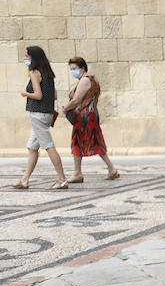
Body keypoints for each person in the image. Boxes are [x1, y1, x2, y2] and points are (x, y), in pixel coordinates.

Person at [13, 45, 70, 190]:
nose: (25, 59)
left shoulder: (34, 72)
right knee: (32, 147)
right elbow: (55, 95)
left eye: (27, 56)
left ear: (33, 58)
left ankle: (62, 179)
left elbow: (38, 95)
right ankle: (24, 180)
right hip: (47, 113)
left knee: (49, 146)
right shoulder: (48, 73)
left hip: (37, 114)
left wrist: (25, 93)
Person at [63, 56, 119, 183]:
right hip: (91, 115)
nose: (72, 71)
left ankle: (78, 173)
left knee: (77, 142)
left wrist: (65, 108)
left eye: (74, 68)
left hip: (84, 116)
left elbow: (76, 100)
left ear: (82, 68)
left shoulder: (84, 80)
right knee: (95, 141)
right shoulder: (93, 79)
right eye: (71, 69)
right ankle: (111, 169)